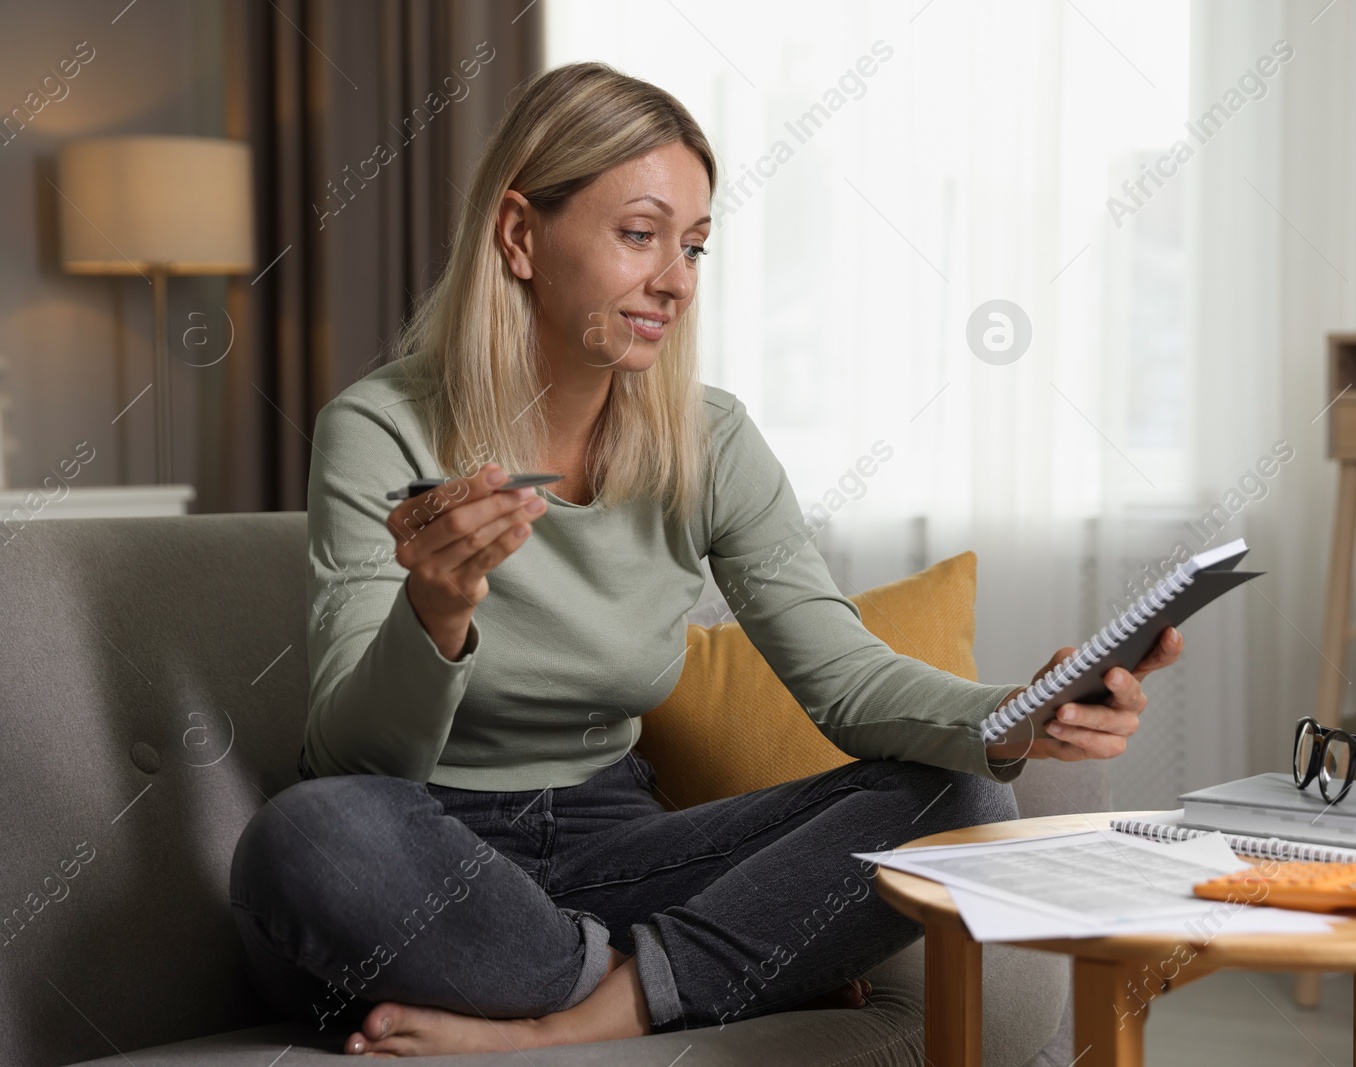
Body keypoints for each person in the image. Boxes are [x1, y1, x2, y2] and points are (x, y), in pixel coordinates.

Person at [228, 61, 1182, 1058]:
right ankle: (683, 976)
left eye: (693, 244)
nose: (676, 280)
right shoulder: (379, 428)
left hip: (612, 844)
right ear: (519, 235)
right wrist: (435, 610)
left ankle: (583, 1011)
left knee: (960, 799)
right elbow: (354, 761)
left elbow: (844, 680)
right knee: (308, 835)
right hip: (425, 847)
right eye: (639, 234)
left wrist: (1010, 711)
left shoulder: (709, 438)